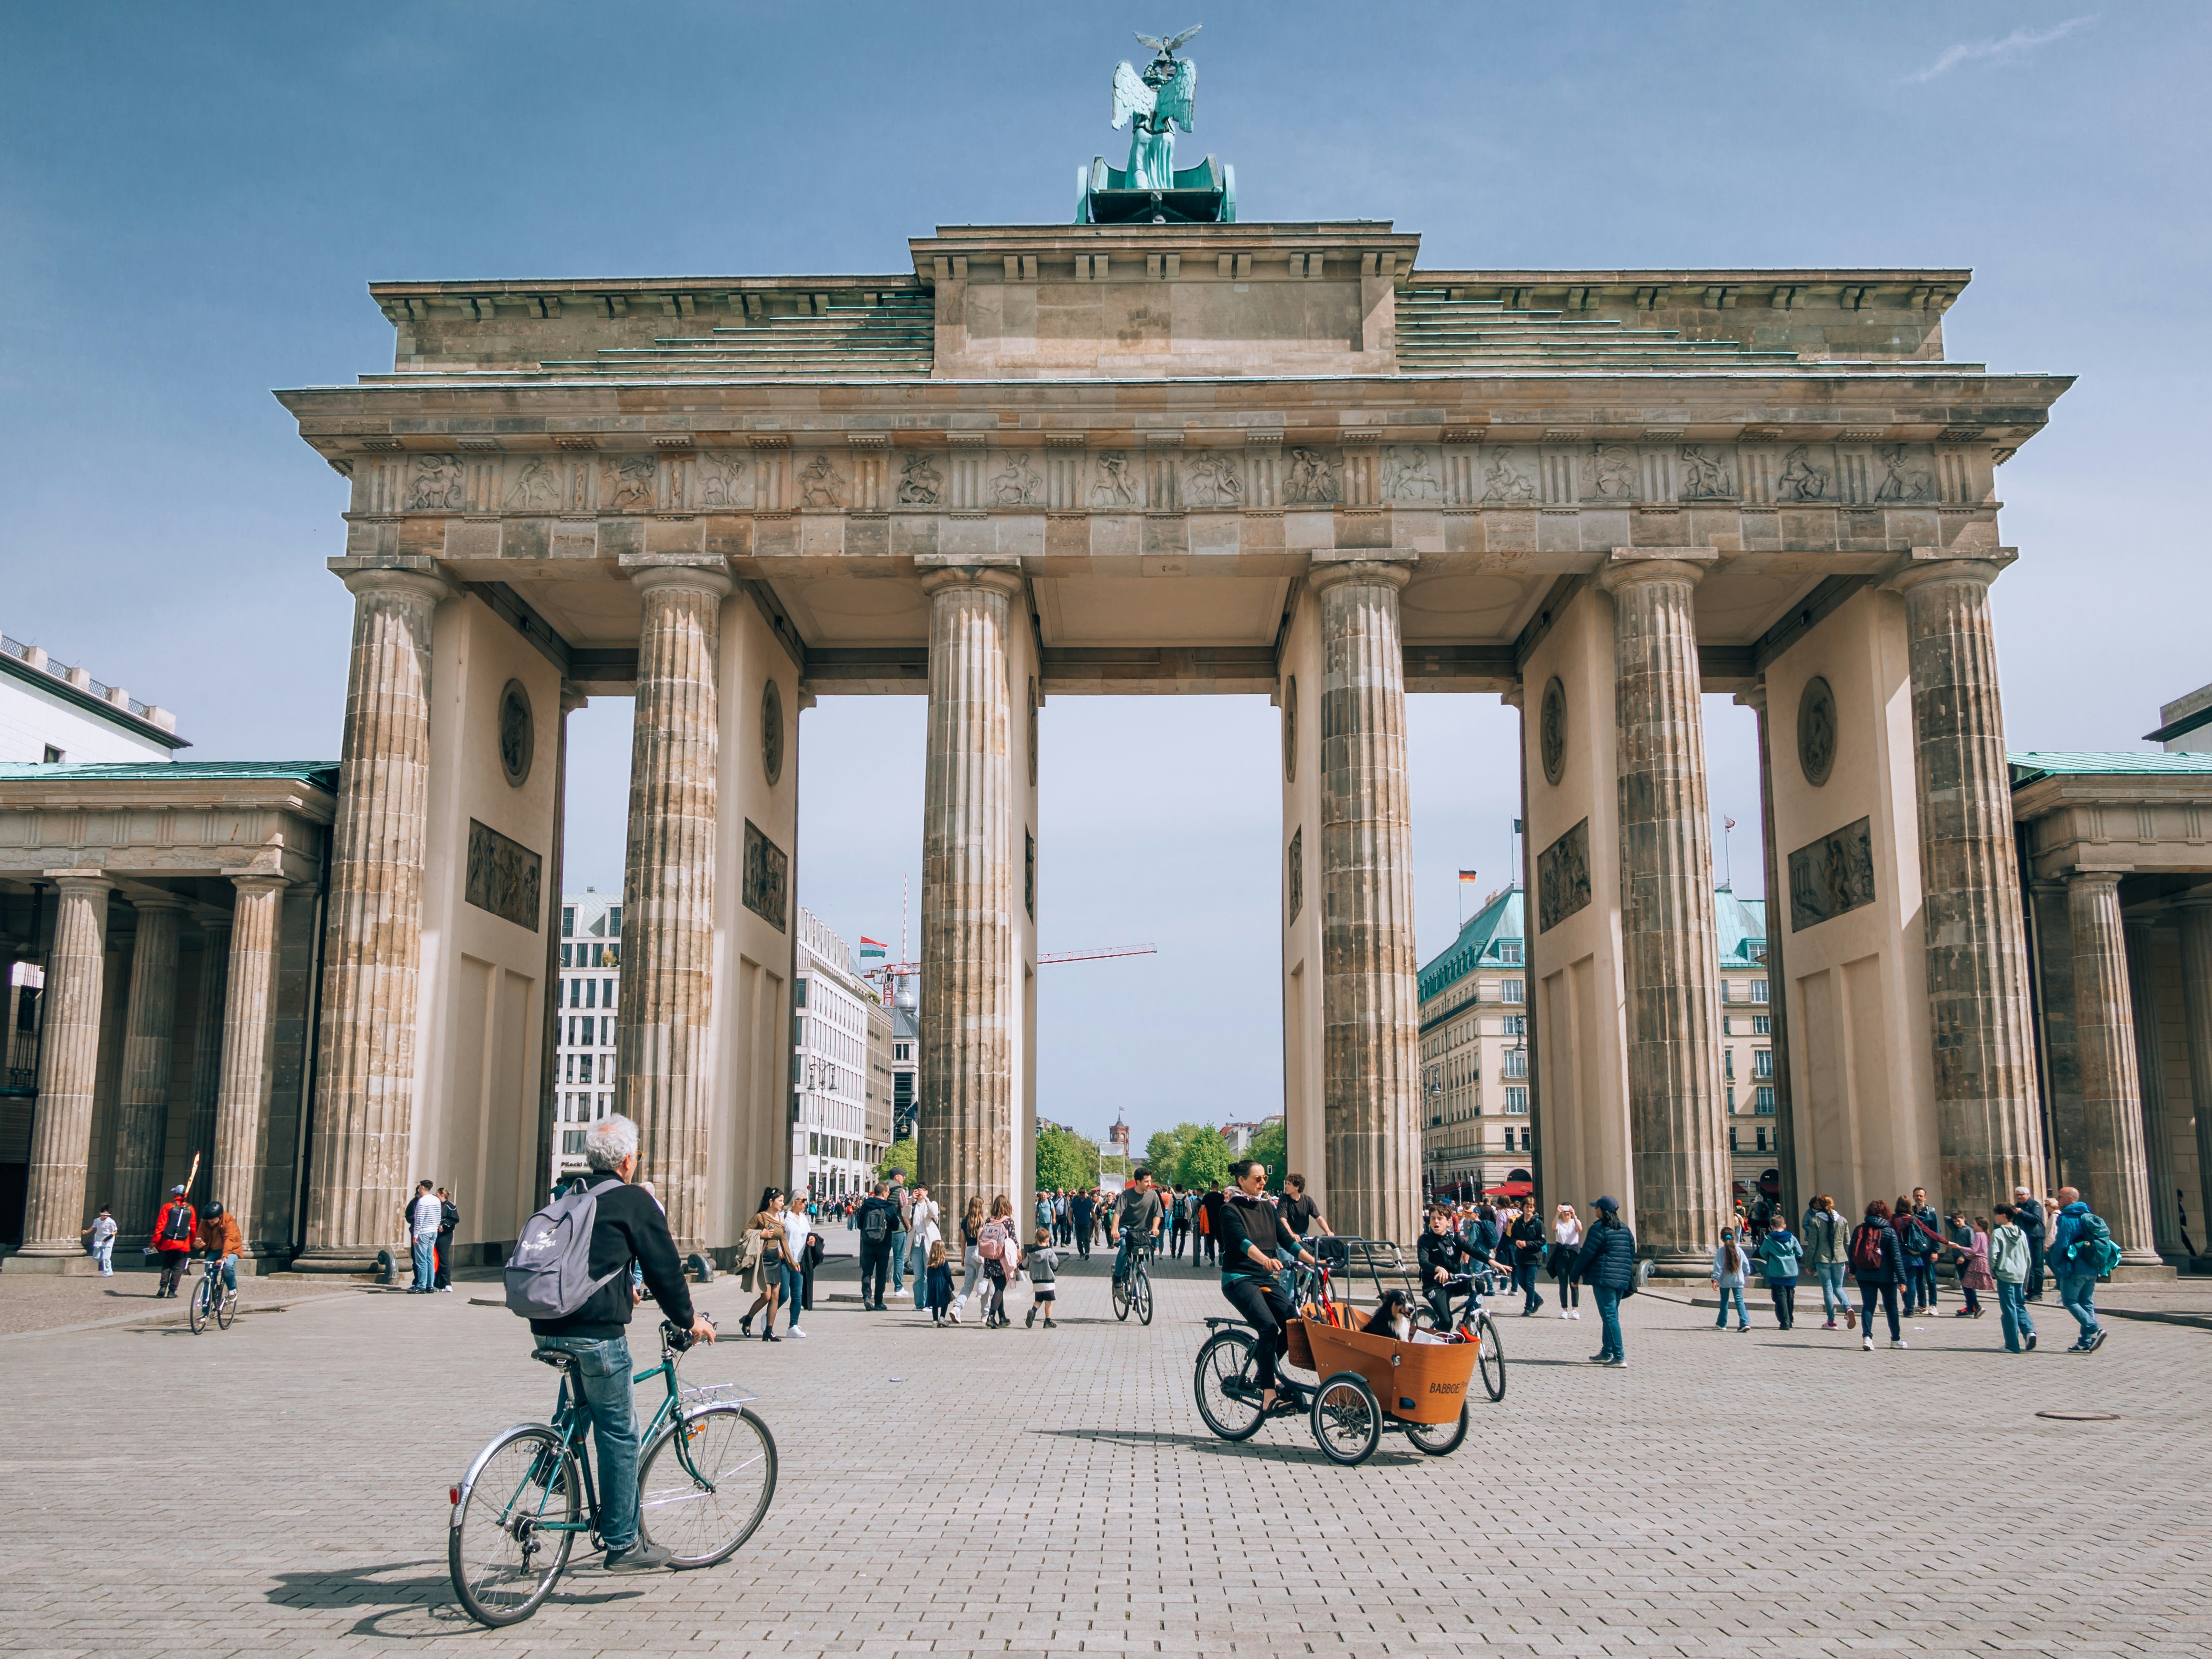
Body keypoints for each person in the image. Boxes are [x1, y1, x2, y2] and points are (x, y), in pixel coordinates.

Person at [527, 1113, 712, 1575]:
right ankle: (624, 1542)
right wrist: (690, 1320)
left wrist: (616, 1285)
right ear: (630, 1159)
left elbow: (589, 1257)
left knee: (585, 1400)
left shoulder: (570, 1194)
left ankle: (555, 1461)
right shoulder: (632, 1200)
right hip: (597, 1333)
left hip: (547, 1322)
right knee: (620, 1432)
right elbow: (664, 1272)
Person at [1216, 1158, 1316, 1417]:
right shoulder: (1230, 1210)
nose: (1263, 1183)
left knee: (1293, 1322)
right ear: (1242, 1181)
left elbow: (1287, 1241)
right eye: (1257, 1179)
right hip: (1239, 1278)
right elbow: (1242, 1241)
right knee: (1269, 1327)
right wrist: (1266, 1260)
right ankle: (1268, 1396)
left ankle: (1262, 1375)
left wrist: (1316, 1262)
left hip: (1264, 1278)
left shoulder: (1268, 1208)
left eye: (1265, 1179)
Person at [1571, 1196, 1636, 1366]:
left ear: (1603, 1210)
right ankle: (1607, 1352)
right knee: (1612, 1315)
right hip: (1622, 1279)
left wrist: (1574, 1276)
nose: (1595, 1210)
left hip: (1603, 1278)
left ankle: (1620, 1356)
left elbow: (1586, 1254)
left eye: (1597, 1208)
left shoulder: (1598, 1229)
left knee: (1610, 1317)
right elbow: (1632, 1251)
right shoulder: (1625, 1229)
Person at [2047, 1185, 2111, 1352]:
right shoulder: (2089, 1216)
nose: (2058, 1200)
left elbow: (2062, 1242)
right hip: (2092, 1267)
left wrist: (2056, 1263)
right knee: (2087, 1303)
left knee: (2069, 1301)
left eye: (2060, 1197)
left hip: (2075, 1267)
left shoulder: (2067, 1218)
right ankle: (2085, 1342)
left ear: (2069, 1199)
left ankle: (2095, 1329)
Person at [1850, 1200, 1905, 1350]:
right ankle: (1896, 1340)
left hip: (1865, 1274)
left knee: (1868, 1306)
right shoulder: (1889, 1231)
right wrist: (1902, 1280)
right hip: (1887, 1276)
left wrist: (1854, 1271)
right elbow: (1896, 1258)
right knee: (1891, 1308)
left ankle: (1867, 1338)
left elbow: (1852, 1251)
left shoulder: (1860, 1229)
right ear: (1885, 1213)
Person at [737, 1190, 789, 1341]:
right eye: (780, 1200)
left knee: (775, 1296)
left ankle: (769, 1331)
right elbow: (745, 1233)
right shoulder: (760, 1217)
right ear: (771, 1202)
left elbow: (783, 1240)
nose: (783, 1203)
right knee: (766, 1296)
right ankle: (748, 1318)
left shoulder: (781, 1218)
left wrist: (790, 1260)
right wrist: (761, 1234)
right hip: (764, 1259)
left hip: (776, 1260)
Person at [1418, 1207, 1479, 1330]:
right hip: (1434, 1285)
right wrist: (1438, 1269)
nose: (1436, 1222)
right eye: (1433, 1219)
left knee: (1479, 1285)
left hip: (1453, 1282)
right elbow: (1423, 1262)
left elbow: (1472, 1250)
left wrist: (1493, 1262)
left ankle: (1466, 1320)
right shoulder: (1425, 1239)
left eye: (1440, 1219)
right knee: (1446, 1322)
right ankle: (1436, 1345)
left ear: (1449, 1222)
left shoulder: (1454, 1238)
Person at [1802, 1194, 1856, 1332]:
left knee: (1828, 1288)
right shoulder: (1842, 1220)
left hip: (1822, 1258)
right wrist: (1850, 1261)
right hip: (1840, 1258)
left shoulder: (1816, 1221)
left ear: (1819, 1206)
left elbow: (1813, 1244)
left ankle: (1832, 1321)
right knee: (1839, 1287)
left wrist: (1809, 1264)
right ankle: (1848, 1307)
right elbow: (1848, 1242)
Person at [1989, 1204, 2038, 1353]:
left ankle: (2012, 1345)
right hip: (2020, 1273)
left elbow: (1992, 1255)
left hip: (2005, 1274)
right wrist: (2026, 1278)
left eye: (1996, 1214)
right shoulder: (2022, 1233)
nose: (1994, 1217)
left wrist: (1993, 1270)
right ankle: (2030, 1331)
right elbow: (2028, 1256)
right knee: (2019, 1305)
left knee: (2009, 1309)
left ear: (2004, 1215)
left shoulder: (1998, 1233)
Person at [1110, 1168, 1164, 1287]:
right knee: (1125, 1248)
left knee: (1141, 1263)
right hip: (1127, 1229)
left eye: (1150, 1181)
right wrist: (1114, 1230)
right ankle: (1117, 1277)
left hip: (1143, 1232)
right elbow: (1117, 1214)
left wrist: (1155, 1228)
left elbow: (1157, 1215)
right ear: (1138, 1182)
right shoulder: (1126, 1195)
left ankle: (1138, 1298)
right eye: (1146, 1182)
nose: (1149, 1184)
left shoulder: (1153, 1195)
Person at [856, 1180, 898, 1311]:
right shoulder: (888, 1207)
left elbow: (860, 1224)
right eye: (888, 1192)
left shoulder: (866, 1205)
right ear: (884, 1193)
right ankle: (879, 1302)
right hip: (883, 1245)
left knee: (867, 1273)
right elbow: (896, 1226)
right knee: (881, 1274)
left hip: (868, 1245)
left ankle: (867, 1297)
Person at [1900, 1188, 1944, 1313]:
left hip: (1929, 1250)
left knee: (1931, 1278)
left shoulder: (1931, 1212)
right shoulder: (1911, 1211)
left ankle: (1933, 1305)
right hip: (1916, 1250)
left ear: (1925, 1197)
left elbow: (1936, 1232)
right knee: (1918, 1279)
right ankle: (1922, 1304)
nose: (1919, 1198)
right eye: (1916, 1196)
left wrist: (1935, 1250)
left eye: (1921, 1196)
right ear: (1913, 1197)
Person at [1757, 1216, 1802, 1331]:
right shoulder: (1791, 1238)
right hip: (1791, 1271)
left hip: (1776, 1271)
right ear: (1784, 1225)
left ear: (1771, 1227)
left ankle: (1785, 1321)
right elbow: (1800, 1253)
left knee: (1780, 1296)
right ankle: (1790, 1318)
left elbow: (1762, 1253)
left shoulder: (1769, 1239)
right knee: (1790, 1295)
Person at [151, 1185, 196, 1297]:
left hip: (169, 1242)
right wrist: (190, 1242)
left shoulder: (168, 1207)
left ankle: (163, 1288)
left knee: (167, 1265)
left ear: (176, 1194)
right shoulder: (191, 1208)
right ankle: (172, 1291)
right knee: (178, 1268)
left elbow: (161, 1226)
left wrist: (155, 1241)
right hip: (183, 1243)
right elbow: (193, 1228)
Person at [980, 1197, 1017, 1328]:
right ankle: (991, 1316)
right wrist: (1019, 1256)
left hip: (990, 1258)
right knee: (1000, 1288)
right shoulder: (1008, 1221)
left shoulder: (989, 1220)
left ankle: (1002, 1317)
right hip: (1002, 1259)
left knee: (998, 1287)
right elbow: (1013, 1240)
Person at [195, 1199, 244, 1300]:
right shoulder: (205, 1222)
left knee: (228, 1266)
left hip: (232, 1250)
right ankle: (205, 1311)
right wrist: (197, 1244)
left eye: (213, 1219)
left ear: (220, 1216)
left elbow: (229, 1239)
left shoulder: (228, 1220)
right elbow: (200, 1237)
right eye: (208, 1219)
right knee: (208, 1277)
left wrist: (224, 1257)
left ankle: (232, 1289)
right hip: (214, 1249)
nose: (210, 1221)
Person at [1947, 1213, 1992, 1319]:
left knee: (1968, 1285)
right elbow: (1947, 1218)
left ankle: (1976, 1307)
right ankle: (1971, 1308)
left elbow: (1974, 1249)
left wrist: (1960, 1249)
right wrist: (1959, 1220)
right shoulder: (1983, 1234)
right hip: (1976, 1260)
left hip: (1973, 1261)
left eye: (1974, 1224)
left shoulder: (1974, 1233)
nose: (1972, 1225)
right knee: (1967, 1284)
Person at [780, 1189, 812, 1338]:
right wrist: (779, 1250)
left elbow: (808, 1235)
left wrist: (811, 1241)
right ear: (794, 1202)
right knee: (783, 1294)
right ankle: (769, 1315)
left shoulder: (804, 1218)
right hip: (784, 1261)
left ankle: (793, 1325)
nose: (805, 1203)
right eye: (803, 1200)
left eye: (806, 1200)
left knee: (797, 1296)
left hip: (798, 1262)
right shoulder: (784, 1216)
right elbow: (778, 1236)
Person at [950, 1195, 986, 1324]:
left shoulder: (965, 1221)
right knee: (983, 1285)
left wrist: (963, 1257)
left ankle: (957, 1308)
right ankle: (985, 1314)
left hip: (968, 1253)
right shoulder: (981, 1221)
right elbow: (980, 1241)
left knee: (968, 1285)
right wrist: (983, 1257)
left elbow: (963, 1240)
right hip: (978, 1253)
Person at [1509, 1199, 1548, 1315]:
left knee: (1530, 1283)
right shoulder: (1518, 1222)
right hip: (1521, 1257)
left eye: (1531, 1207)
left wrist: (1527, 1244)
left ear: (1534, 1208)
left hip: (1534, 1257)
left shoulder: (1538, 1223)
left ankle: (1528, 1307)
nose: (1529, 1209)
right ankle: (1538, 1299)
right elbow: (1512, 1237)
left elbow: (1542, 1240)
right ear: (1523, 1208)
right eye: (1527, 1207)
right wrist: (1516, 1242)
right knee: (1521, 1281)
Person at [908, 1184, 941, 1311]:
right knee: (918, 1275)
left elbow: (934, 1213)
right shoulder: (914, 1205)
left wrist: (926, 1199)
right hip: (916, 1243)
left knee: (929, 1274)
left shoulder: (932, 1203)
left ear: (926, 1191)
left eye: (922, 1191)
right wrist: (911, 1201)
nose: (920, 1193)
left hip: (929, 1242)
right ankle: (919, 1303)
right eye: (918, 1191)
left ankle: (930, 1303)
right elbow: (906, 1215)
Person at [1711, 1227, 1751, 1332]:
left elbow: (1718, 1267)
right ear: (1734, 1237)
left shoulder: (1721, 1251)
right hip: (1738, 1280)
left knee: (1724, 1301)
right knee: (1739, 1301)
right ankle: (1745, 1323)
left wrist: (1715, 1280)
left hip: (1725, 1280)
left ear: (1721, 1238)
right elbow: (1746, 1265)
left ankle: (1722, 1323)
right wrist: (1745, 1275)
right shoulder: (1739, 1250)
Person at [2013, 1187, 2049, 1300]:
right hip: (2024, 1238)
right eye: (2017, 1195)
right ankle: (2030, 1291)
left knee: (2037, 1266)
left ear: (2028, 1194)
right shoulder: (2018, 1206)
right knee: (2029, 1266)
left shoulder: (2035, 1204)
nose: (2019, 1197)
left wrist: (2021, 1213)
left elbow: (2036, 1218)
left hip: (2035, 1237)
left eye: (2022, 1195)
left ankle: (2038, 1292)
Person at [407, 1180, 442, 1293]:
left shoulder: (422, 1201)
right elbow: (438, 1216)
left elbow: (419, 1219)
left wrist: (415, 1234)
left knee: (421, 1260)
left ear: (422, 1188)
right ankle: (430, 1285)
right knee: (430, 1259)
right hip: (433, 1231)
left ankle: (421, 1285)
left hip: (423, 1232)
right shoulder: (436, 1200)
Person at [1022, 1227, 1060, 1328]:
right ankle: (1048, 1321)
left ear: (1036, 1240)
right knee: (1048, 1302)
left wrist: (1019, 1266)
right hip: (1048, 1282)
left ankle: (1033, 1311)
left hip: (1036, 1282)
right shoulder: (1050, 1252)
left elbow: (1024, 1265)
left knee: (1038, 1301)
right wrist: (1055, 1269)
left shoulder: (1031, 1253)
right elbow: (1055, 1264)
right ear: (1047, 1241)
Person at [1549, 1203, 1582, 1320]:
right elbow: (1553, 1228)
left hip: (1573, 1253)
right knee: (1563, 1283)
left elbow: (1580, 1229)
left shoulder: (1575, 1222)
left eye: (1568, 1210)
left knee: (1574, 1283)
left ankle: (1575, 1309)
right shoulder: (1558, 1222)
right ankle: (1564, 1309)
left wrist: (1574, 1216)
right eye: (1564, 1210)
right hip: (1561, 1254)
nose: (1566, 1212)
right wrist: (1558, 1212)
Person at [1279, 1174, 1332, 1242]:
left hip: (1303, 1236)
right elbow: (1283, 1220)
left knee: (1315, 1250)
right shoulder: (1284, 1199)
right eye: (1286, 1183)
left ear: (1297, 1187)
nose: (1286, 1186)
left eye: (1289, 1184)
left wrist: (1328, 1231)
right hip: (1286, 1236)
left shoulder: (1308, 1200)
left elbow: (1319, 1218)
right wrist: (1292, 1234)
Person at [887, 1170, 912, 1301]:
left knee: (882, 1258)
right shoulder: (900, 1190)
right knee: (899, 1259)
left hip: (884, 1230)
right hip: (898, 1229)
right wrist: (909, 1226)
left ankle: (879, 1286)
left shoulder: (883, 1187)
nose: (904, 1178)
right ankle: (898, 1288)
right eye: (903, 1176)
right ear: (897, 1177)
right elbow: (904, 1211)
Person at [435, 1186, 460, 1293]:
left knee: (443, 1258)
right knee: (436, 1259)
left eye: (437, 1196)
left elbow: (455, 1219)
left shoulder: (450, 1206)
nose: (436, 1198)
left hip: (445, 1235)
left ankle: (447, 1283)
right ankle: (437, 1283)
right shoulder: (436, 1205)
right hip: (436, 1235)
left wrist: (444, 1225)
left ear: (442, 1195)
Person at [80, 1207, 118, 1276]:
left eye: (106, 1215)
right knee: (97, 1256)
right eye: (103, 1215)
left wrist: (108, 1238)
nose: (105, 1217)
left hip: (108, 1241)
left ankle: (108, 1272)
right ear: (100, 1214)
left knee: (106, 1258)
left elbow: (115, 1231)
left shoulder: (111, 1222)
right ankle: (99, 1258)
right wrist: (87, 1232)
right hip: (98, 1239)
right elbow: (93, 1227)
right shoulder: (97, 1221)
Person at [925, 1240, 955, 1324]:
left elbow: (929, 1275)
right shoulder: (944, 1262)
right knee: (945, 1301)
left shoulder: (930, 1262)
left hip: (933, 1285)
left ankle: (935, 1320)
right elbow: (948, 1274)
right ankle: (942, 1317)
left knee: (935, 1303)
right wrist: (952, 1285)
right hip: (943, 1284)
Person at [1070, 1188, 1095, 1260]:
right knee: (1079, 1239)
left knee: (1086, 1238)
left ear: (1085, 1193)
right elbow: (1070, 1212)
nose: (1081, 1194)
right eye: (1080, 1193)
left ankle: (1087, 1253)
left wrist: (1095, 1222)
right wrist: (1069, 1219)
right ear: (1078, 1193)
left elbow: (1092, 1212)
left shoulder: (1088, 1202)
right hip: (1078, 1223)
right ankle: (1081, 1253)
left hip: (1086, 1223)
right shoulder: (1075, 1202)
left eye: (1083, 1192)